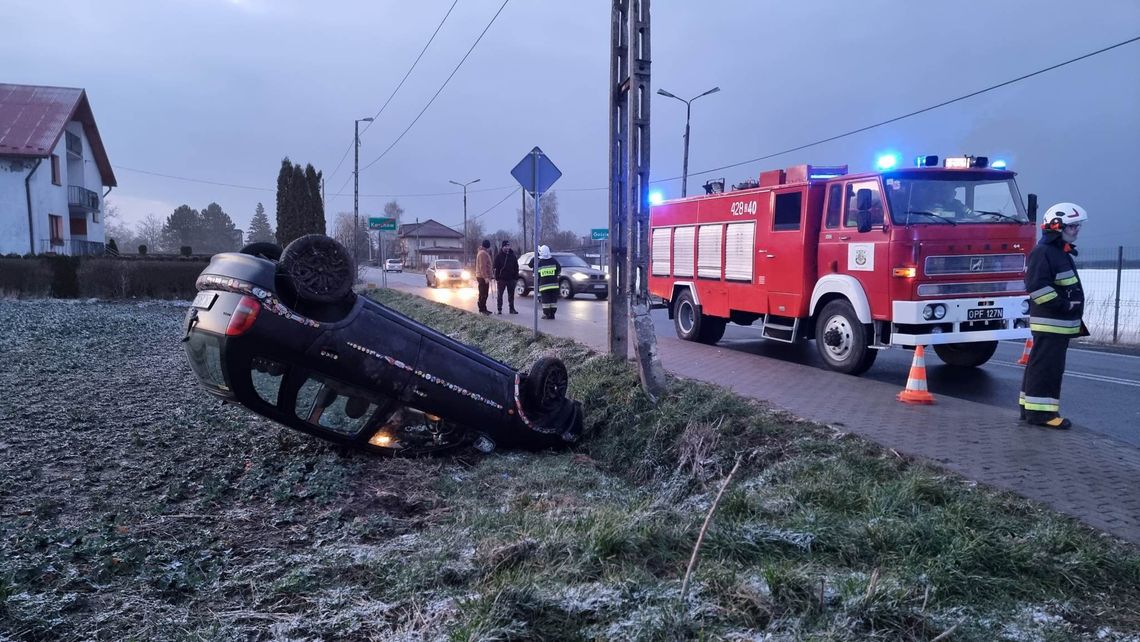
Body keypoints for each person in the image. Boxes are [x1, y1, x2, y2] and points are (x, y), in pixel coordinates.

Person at [1019, 202, 1089, 429]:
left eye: (1078, 226)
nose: (1076, 230)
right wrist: (1065, 306)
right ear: (1057, 227)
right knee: (1047, 369)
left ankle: (1028, 408)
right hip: (1052, 323)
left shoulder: (1058, 252)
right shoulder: (1045, 252)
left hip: (1057, 324)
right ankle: (1042, 415)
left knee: (1040, 365)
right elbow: (1037, 287)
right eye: (1072, 226)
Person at [493, 239, 520, 315]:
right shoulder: (498, 256)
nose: (507, 247)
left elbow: (516, 267)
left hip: (511, 279)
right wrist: (497, 277)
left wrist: (516, 277)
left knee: (511, 295)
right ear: (502, 247)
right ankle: (499, 309)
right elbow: (495, 267)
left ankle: (512, 309)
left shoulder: (512, 255)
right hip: (501, 279)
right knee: (500, 295)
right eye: (506, 246)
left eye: (508, 246)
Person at [535, 245, 561, 319]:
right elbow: (559, 269)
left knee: (546, 301)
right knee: (553, 301)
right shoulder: (554, 260)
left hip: (544, 286)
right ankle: (552, 314)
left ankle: (546, 314)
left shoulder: (540, 262)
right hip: (554, 285)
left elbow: (536, 273)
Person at [475, 239, 493, 315]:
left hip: (482, 276)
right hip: (482, 277)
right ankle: (482, 309)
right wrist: (486, 277)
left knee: (484, 293)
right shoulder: (483, 253)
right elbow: (482, 266)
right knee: (483, 293)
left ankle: (484, 308)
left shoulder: (483, 252)